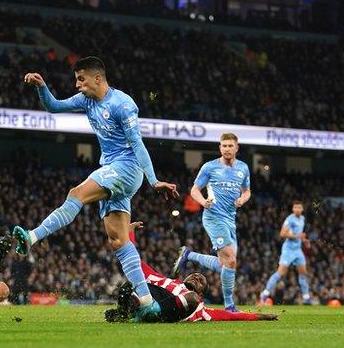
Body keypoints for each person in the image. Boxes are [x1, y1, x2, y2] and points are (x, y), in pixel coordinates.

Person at [15, 56, 179, 322]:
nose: (77, 85)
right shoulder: (86, 100)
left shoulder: (123, 105)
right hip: (113, 170)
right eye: (76, 79)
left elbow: (138, 144)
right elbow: (54, 107)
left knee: (76, 194)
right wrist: (41, 86)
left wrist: (153, 180)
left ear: (97, 78)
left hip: (126, 168)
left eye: (81, 79)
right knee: (118, 241)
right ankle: (149, 303)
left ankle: (32, 237)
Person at [172, 133, 251, 312]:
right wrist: (203, 202)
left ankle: (188, 255)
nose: (227, 149)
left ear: (237, 148)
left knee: (225, 264)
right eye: (224, 146)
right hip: (214, 217)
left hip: (231, 219)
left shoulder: (243, 168)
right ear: (220, 148)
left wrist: (243, 200)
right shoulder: (210, 167)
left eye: (230, 146)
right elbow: (194, 190)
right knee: (231, 259)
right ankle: (229, 305)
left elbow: (247, 191)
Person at [106, 262, 278, 323]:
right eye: (195, 275)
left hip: (166, 313)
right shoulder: (163, 279)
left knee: (190, 298)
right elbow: (134, 260)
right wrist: (129, 231)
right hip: (148, 299)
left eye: (201, 281)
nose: (197, 277)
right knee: (130, 284)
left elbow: (232, 316)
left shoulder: (200, 307)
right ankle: (125, 312)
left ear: (202, 292)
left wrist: (261, 316)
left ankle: (146, 312)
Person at [260, 201, 312, 305]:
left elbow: (299, 234)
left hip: (298, 250)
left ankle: (306, 298)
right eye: (295, 207)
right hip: (288, 249)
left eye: (299, 207)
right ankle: (265, 293)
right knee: (281, 272)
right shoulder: (290, 219)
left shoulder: (302, 219)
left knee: (303, 272)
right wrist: (298, 237)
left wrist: (305, 240)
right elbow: (282, 233)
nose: (297, 209)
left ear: (302, 209)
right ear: (293, 209)